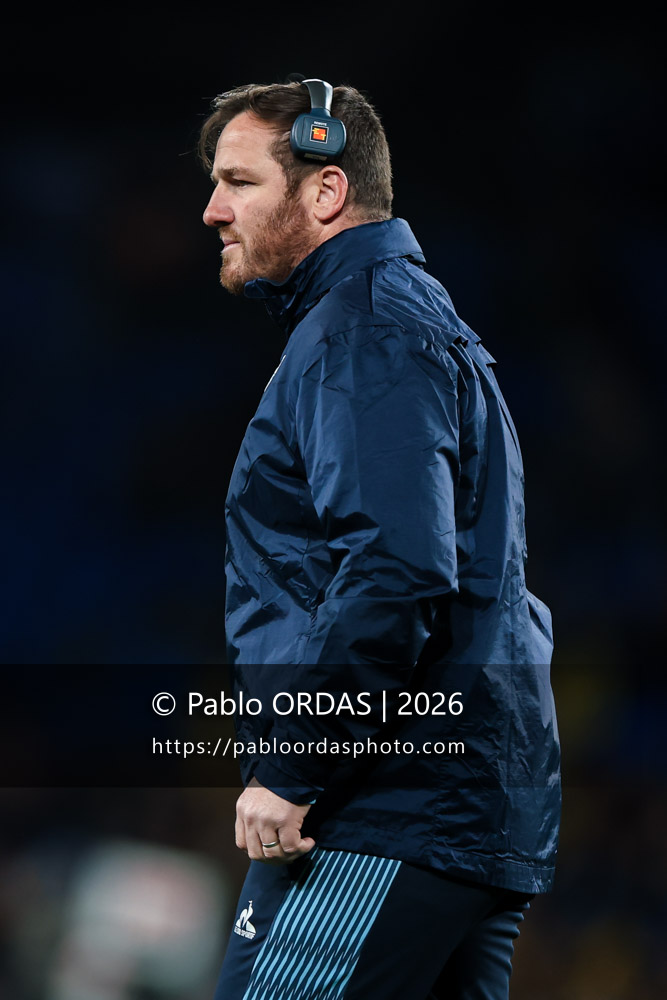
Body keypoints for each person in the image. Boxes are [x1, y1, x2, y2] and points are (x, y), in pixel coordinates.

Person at [199, 77, 561, 1000]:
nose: (212, 209)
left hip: (385, 807)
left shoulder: (362, 327)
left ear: (323, 192)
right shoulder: (397, 317)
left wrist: (292, 765)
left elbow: (396, 570)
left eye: (239, 182)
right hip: (453, 802)